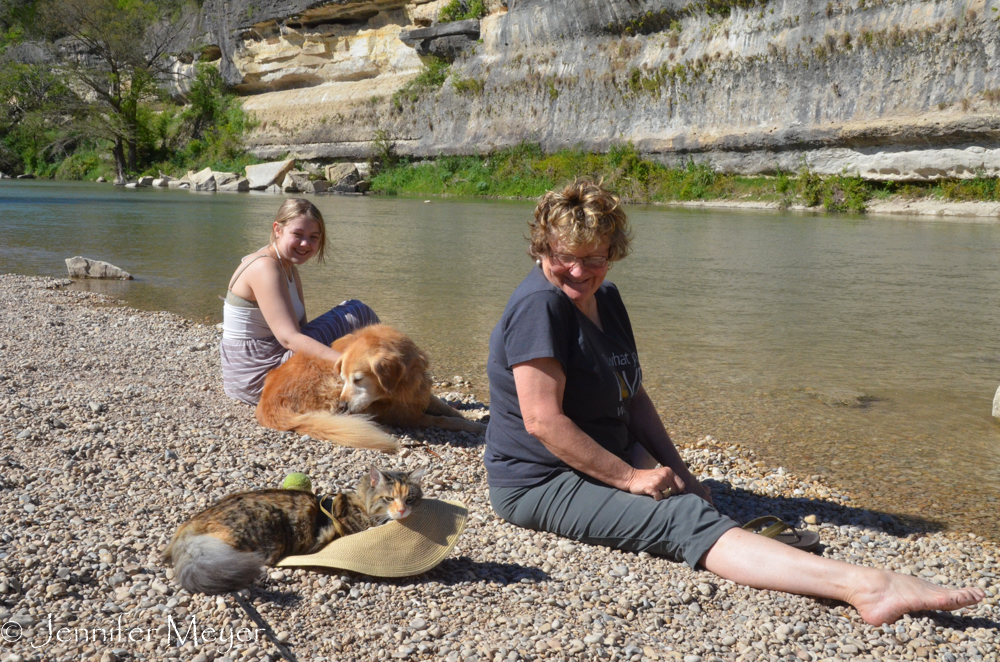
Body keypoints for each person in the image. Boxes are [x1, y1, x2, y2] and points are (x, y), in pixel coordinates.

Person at [484, 178, 984, 625]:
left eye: (592, 257)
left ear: (612, 252)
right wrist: (632, 477)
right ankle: (866, 587)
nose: (576, 270)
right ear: (541, 247)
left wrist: (681, 471)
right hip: (540, 480)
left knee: (685, 497)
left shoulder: (607, 298)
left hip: (601, 449)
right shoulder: (540, 307)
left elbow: (631, 396)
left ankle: (705, 516)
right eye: (562, 256)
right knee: (682, 521)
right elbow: (542, 421)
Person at [220, 198, 379, 405]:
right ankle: (382, 375)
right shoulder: (265, 268)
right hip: (258, 378)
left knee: (351, 313)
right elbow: (290, 339)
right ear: (278, 229)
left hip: (267, 363)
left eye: (313, 237)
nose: (306, 244)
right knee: (357, 312)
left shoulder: (288, 268)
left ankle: (379, 371)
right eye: (298, 235)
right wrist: (345, 364)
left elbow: (303, 329)